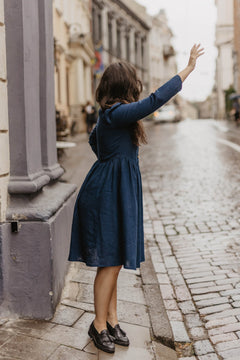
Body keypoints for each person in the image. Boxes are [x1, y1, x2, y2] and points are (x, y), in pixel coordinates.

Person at [68, 44, 204, 353]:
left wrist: (111, 161)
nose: (138, 90)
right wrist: (188, 69)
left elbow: (93, 140)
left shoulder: (111, 117)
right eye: (134, 85)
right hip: (107, 192)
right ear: (126, 87)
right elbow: (156, 100)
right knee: (109, 262)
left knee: (113, 259)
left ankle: (112, 320)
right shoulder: (116, 113)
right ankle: (98, 325)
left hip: (112, 187)